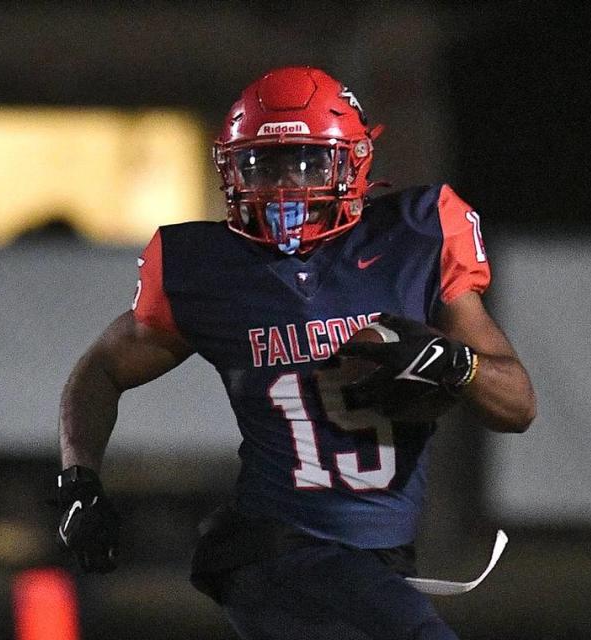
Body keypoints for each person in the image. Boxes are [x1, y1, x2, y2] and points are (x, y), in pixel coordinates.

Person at [56, 66, 535, 640]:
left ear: (354, 160)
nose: (284, 187)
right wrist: (78, 483)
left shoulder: (415, 240)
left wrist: (450, 361)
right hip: (276, 548)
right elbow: (103, 369)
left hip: (377, 555)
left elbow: (518, 405)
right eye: (264, 164)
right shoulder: (207, 270)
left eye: (306, 162)